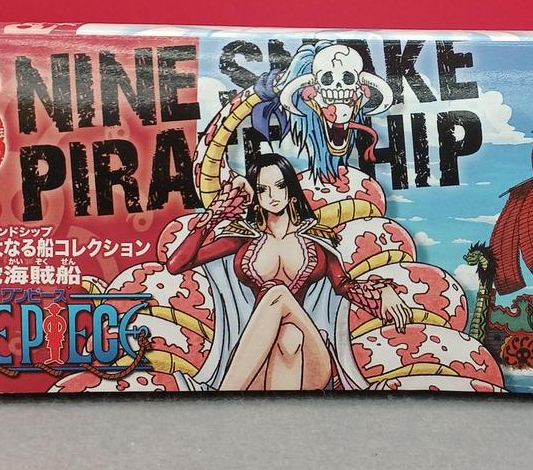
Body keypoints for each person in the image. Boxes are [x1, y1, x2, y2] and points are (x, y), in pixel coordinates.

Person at [166, 153, 412, 391]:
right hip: (257, 361)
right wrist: (215, 214)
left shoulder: (316, 238)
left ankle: (225, 396)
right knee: (288, 335)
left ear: (290, 188)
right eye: (262, 190)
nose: (272, 196)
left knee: (279, 296)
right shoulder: (243, 238)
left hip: (312, 359)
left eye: (279, 186)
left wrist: (383, 291)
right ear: (254, 195)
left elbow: (343, 286)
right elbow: (176, 265)